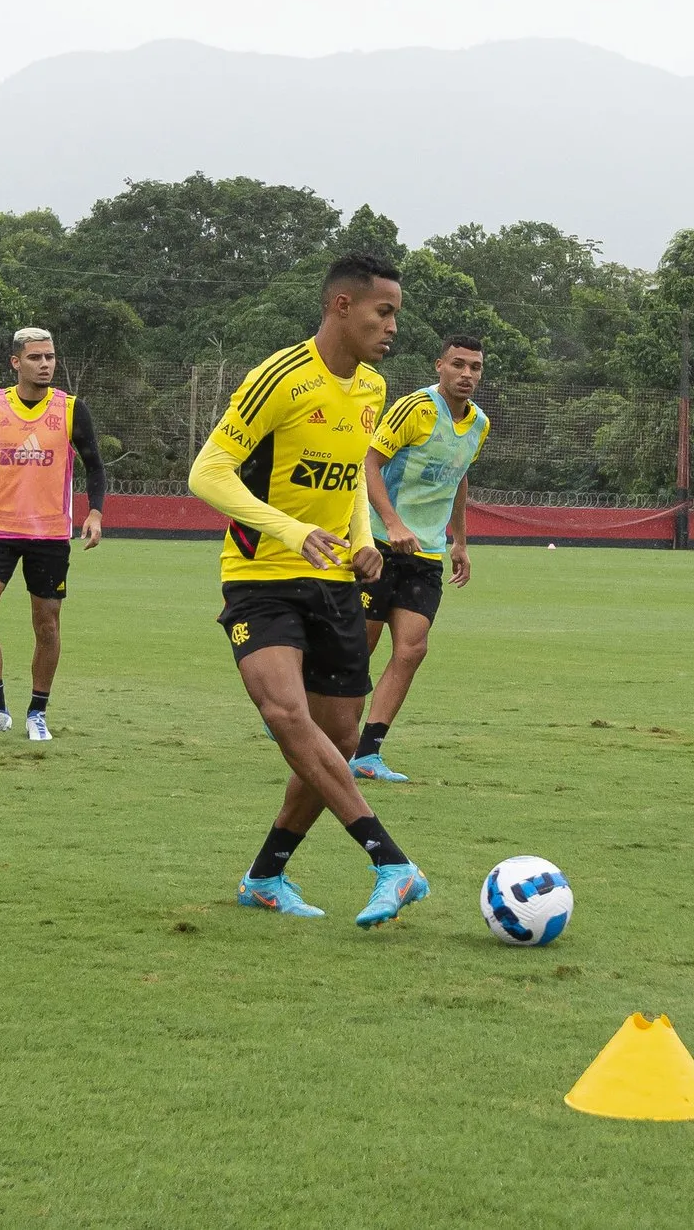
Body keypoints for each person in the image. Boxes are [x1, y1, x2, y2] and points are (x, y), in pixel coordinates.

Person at [187, 252, 429, 926]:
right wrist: (289, 532)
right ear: (341, 306)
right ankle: (390, 860)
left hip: (333, 585)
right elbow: (207, 473)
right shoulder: (281, 376)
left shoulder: (373, 390)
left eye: (395, 316)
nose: (392, 327)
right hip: (260, 578)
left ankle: (265, 875)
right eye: (384, 312)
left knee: (335, 739)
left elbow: (351, 477)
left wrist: (360, 539)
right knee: (290, 718)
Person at [0, 326, 107, 743]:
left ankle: (37, 712)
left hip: (50, 535)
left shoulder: (72, 409)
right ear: (16, 362)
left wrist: (94, 512)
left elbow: (95, 465)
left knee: (47, 625)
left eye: (50, 357)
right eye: (36, 358)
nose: (45, 365)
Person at [350, 335, 491, 782]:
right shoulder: (416, 409)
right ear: (440, 367)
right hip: (377, 542)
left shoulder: (479, 425)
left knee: (412, 649)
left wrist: (460, 542)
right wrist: (391, 524)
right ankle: (299, 709)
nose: (467, 374)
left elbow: (459, 477)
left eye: (475, 367)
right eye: (458, 365)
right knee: (358, 648)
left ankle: (367, 753)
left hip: (426, 552)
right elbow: (367, 463)